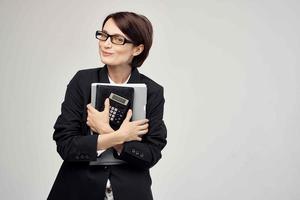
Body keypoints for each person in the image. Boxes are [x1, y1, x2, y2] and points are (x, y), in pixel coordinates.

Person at [47, 11, 167, 200]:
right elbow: (66, 145)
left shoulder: (152, 91)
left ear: (137, 49)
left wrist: (104, 130)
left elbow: (150, 155)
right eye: (103, 35)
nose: (106, 43)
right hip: (77, 190)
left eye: (118, 39)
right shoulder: (82, 81)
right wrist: (121, 136)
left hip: (130, 193)